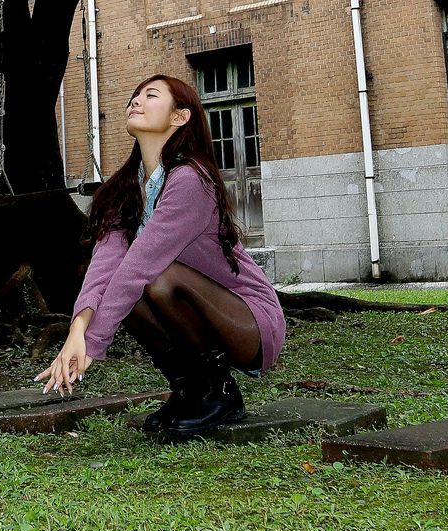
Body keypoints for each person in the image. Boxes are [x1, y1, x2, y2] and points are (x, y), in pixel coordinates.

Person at [35, 73, 286, 438]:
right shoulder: (127, 188)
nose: (135, 101)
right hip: (193, 308)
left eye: (150, 96)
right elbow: (106, 267)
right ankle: (189, 391)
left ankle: (219, 393)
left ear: (179, 117)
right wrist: (78, 330)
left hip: (249, 322)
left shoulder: (189, 180)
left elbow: (139, 267)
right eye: (135, 96)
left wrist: (93, 345)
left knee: (155, 278)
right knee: (129, 290)